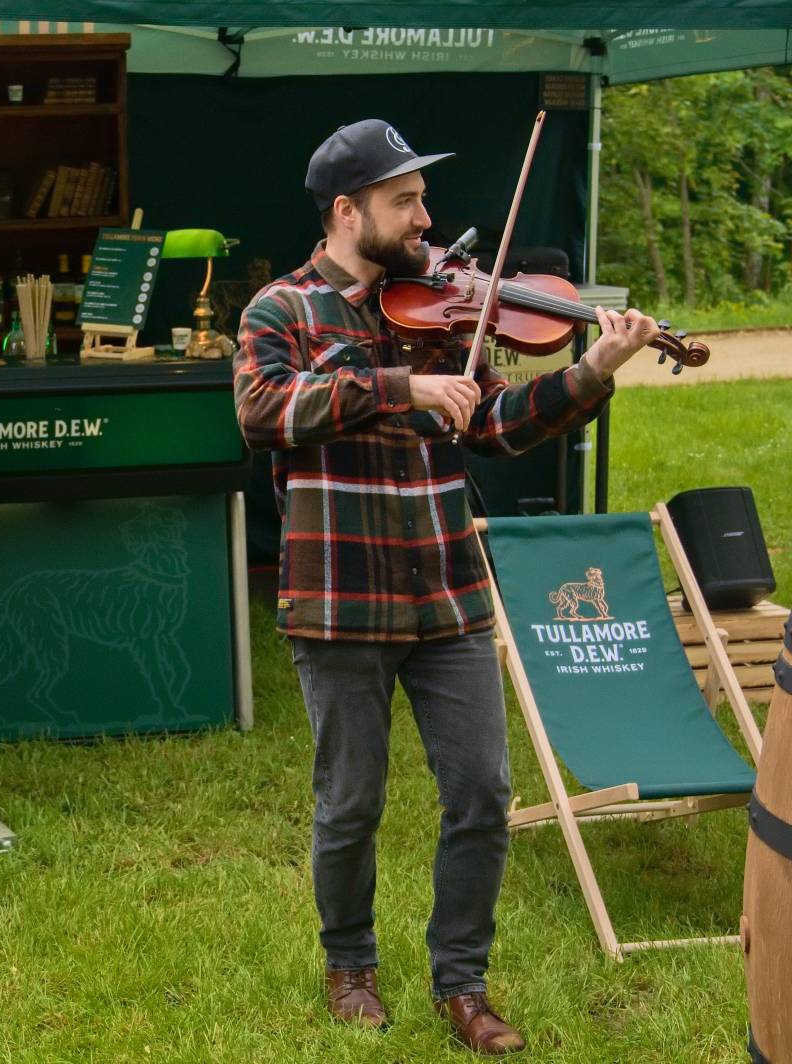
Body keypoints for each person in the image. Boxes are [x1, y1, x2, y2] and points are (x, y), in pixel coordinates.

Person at [234, 118, 661, 1055]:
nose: (426, 217)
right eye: (405, 200)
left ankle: (461, 983)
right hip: (341, 594)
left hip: (446, 590)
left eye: (422, 198)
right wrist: (400, 388)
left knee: (482, 791)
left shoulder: (437, 307)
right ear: (348, 211)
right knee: (352, 801)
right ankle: (350, 966)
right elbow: (266, 413)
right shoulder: (280, 311)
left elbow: (498, 425)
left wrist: (593, 367)